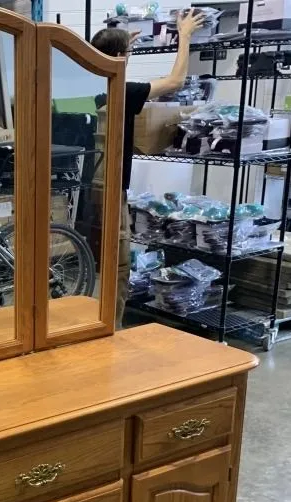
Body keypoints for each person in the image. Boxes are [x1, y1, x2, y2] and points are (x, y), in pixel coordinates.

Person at [91, 9, 204, 327]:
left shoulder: (90, 90)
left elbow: (107, 60)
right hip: (112, 188)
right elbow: (175, 81)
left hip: (89, 186)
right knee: (119, 265)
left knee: (93, 261)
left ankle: (94, 322)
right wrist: (184, 36)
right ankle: (110, 329)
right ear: (119, 58)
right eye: (127, 53)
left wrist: (120, 46)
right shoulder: (123, 91)